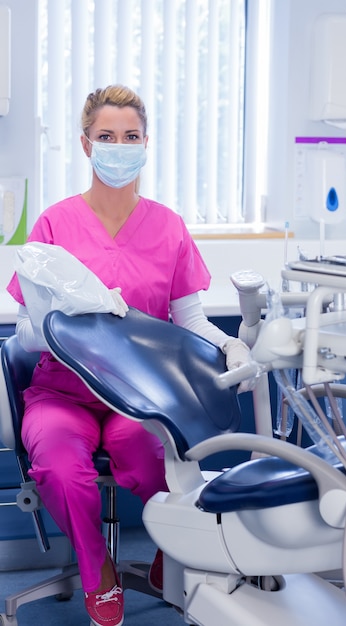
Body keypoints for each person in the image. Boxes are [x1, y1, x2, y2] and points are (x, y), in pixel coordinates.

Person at [6, 84, 251, 626]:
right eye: (106, 136)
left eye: (131, 136)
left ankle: (173, 556)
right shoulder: (53, 226)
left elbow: (189, 322)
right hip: (62, 393)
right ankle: (98, 571)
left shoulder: (168, 227)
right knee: (61, 469)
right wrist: (65, 325)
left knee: (153, 458)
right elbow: (24, 331)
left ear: (146, 143)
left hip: (138, 396)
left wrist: (232, 344)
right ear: (86, 145)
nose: (119, 146)